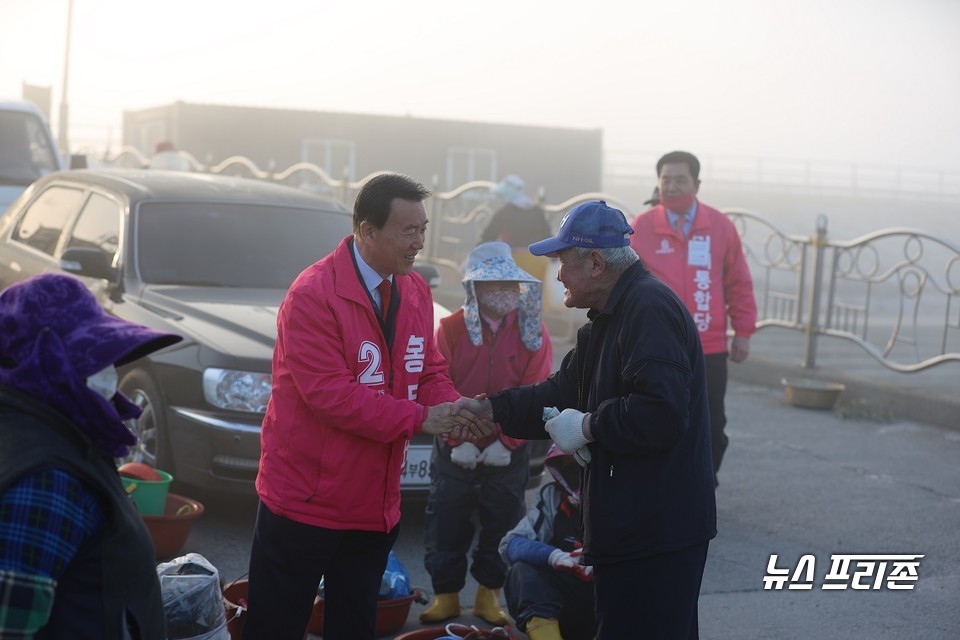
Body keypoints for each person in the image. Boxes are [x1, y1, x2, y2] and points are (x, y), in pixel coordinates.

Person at [242, 172, 493, 640]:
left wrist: (456, 408)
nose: (419, 242)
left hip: (375, 505)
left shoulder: (414, 289)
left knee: (356, 626)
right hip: (306, 501)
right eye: (408, 231)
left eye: (423, 229)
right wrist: (422, 418)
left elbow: (430, 372)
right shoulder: (313, 295)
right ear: (367, 230)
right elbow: (330, 397)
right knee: (274, 626)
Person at [458, 200, 717, 639]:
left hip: (656, 531)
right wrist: (492, 408)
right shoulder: (605, 320)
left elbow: (661, 412)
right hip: (629, 526)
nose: (556, 274)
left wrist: (588, 426)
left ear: (596, 262)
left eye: (562, 261)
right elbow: (558, 393)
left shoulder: (648, 309)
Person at [0, 273, 182, 639]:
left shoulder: (56, 429)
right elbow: (11, 625)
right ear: (44, 363)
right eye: (91, 361)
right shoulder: (47, 477)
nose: (108, 375)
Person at [421, 241, 554, 625]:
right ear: (474, 288)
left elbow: (535, 390)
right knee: (446, 516)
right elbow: (438, 382)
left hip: (508, 450)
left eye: (511, 284)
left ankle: (488, 596)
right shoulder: (448, 329)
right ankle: (445, 595)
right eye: (494, 283)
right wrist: (456, 438)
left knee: (505, 518)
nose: (505, 292)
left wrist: (506, 442)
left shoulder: (534, 334)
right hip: (454, 445)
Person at [630, 151, 757, 483]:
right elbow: (623, 287)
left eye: (680, 180)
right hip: (657, 345)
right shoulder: (639, 228)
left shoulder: (720, 226)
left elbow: (738, 282)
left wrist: (743, 331)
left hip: (709, 345)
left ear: (696, 184)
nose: (671, 187)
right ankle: (662, 485)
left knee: (711, 423)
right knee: (657, 417)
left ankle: (702, 483)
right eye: (665, 180)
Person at [499, 445, 596, 640]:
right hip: (562, 608)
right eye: (571, 468)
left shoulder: (625, 499)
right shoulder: (552, 497)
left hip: (611, 611)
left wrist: (604, 564)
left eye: (584, 465)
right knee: (522, 570)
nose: (579, 473)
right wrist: (554, 556)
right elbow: (510, 544)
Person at [480, 175, 553, 283]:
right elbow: (547, 236)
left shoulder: (504, 212)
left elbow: (488, 237)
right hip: (539, 263)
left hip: (515, 263)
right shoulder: (537, 211)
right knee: (536, 296)